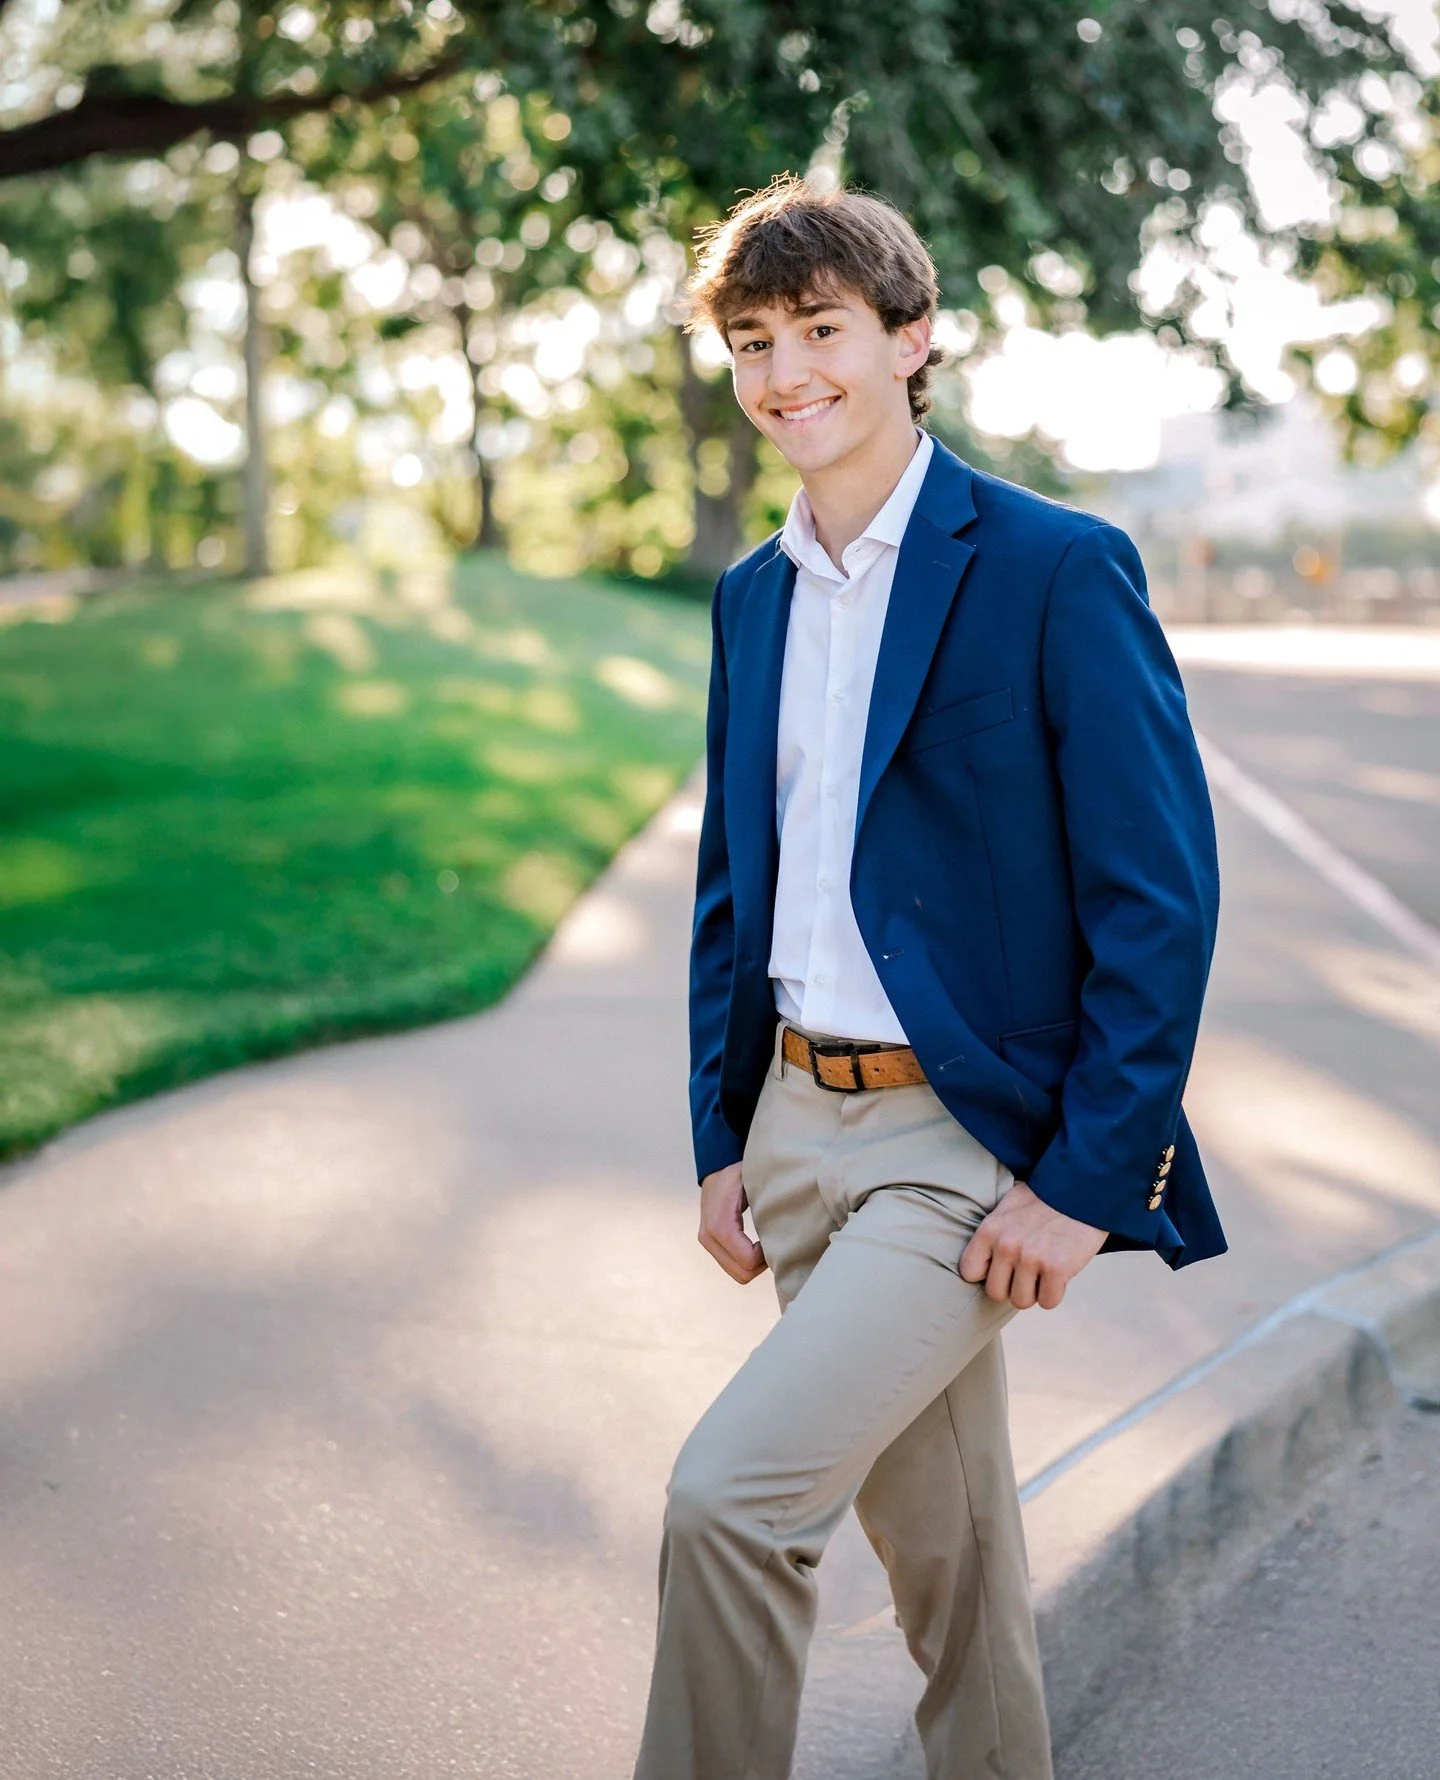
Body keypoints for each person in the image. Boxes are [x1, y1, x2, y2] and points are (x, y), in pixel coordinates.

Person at [632, 174, 1225, 1780]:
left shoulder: (1049, 565)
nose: (783, 373)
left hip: (961, 1151)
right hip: (799, 1131)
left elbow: (1157, 897)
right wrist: (718, 1135)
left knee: (731, 1503)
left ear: (910, 340)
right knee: (953, 1561)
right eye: (751, 342)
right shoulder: (755, 596)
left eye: (819, 329)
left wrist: (1088, 1180)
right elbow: (731, 893)